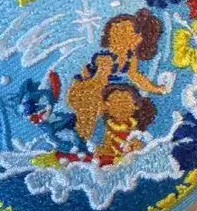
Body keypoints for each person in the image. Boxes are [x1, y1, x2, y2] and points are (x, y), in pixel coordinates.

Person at [67, 10, 168, 142]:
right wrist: (104, 103)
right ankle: (81, 139)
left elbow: (136, 76)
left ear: (136, 38)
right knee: (96, 107)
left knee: (124, 103)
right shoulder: (106, 58)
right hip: (85, 90)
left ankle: (122, 138)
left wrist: (156, 89)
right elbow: (97, 84)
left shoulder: (130, 58)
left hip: (107, 91)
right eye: (118, 34)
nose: (123, 39)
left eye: (129, 34)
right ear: (109, 38)